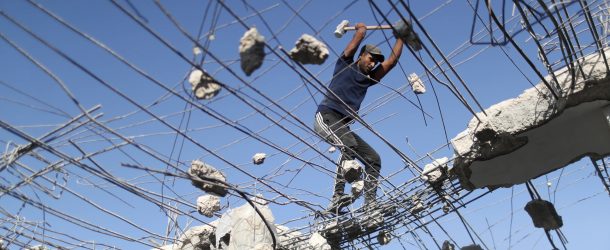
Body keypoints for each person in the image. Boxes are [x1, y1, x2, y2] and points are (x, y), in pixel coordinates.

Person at [314, 22, 404, 213]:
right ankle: (337, 197)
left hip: (343, 126)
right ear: (361, 56)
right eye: (370, 59)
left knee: (373, 158)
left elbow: (391, 62)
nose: (372, 64)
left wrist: (400, 37)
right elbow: (350, 48)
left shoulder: (369, 79)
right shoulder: (344, 65)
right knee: (349, 145)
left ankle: (370, 204)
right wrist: (360, 33)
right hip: (326, 116)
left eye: (374, 62)